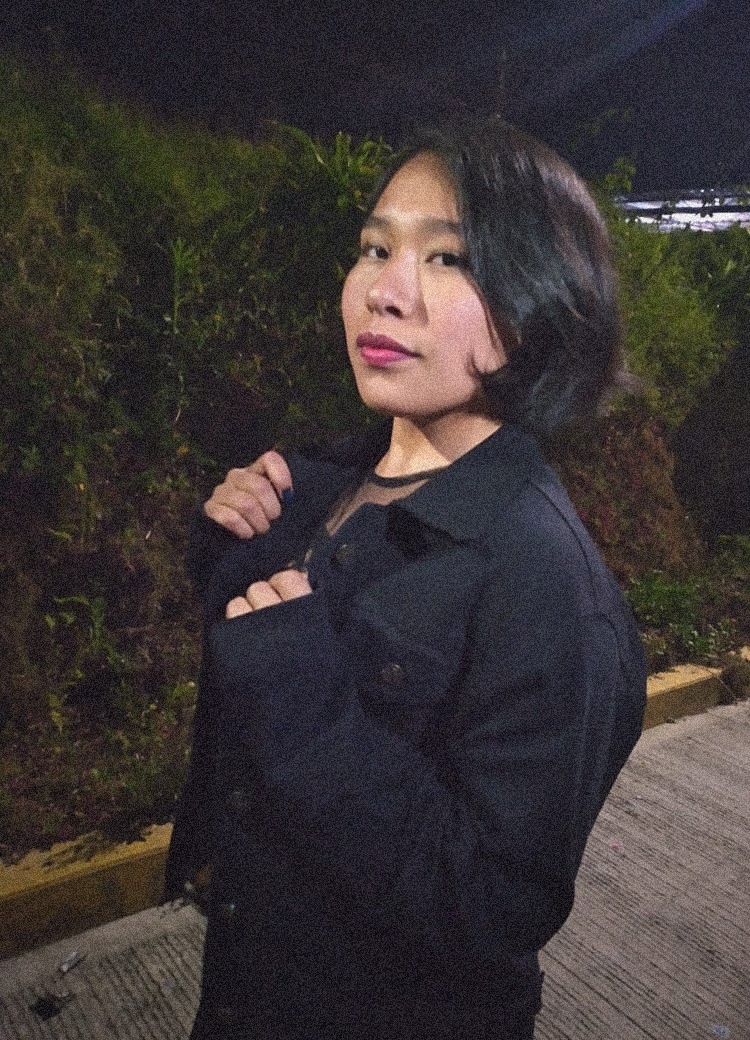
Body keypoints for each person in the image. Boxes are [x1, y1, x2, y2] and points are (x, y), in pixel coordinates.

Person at [165, 114, 648, 1040]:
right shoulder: (323, 485)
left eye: (448, 258)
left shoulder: (548, 588)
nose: (385, 292)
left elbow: (492, 906)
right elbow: (260, 686)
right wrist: (232, 553)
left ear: (536, 306)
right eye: (375, 248)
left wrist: (305, 697)